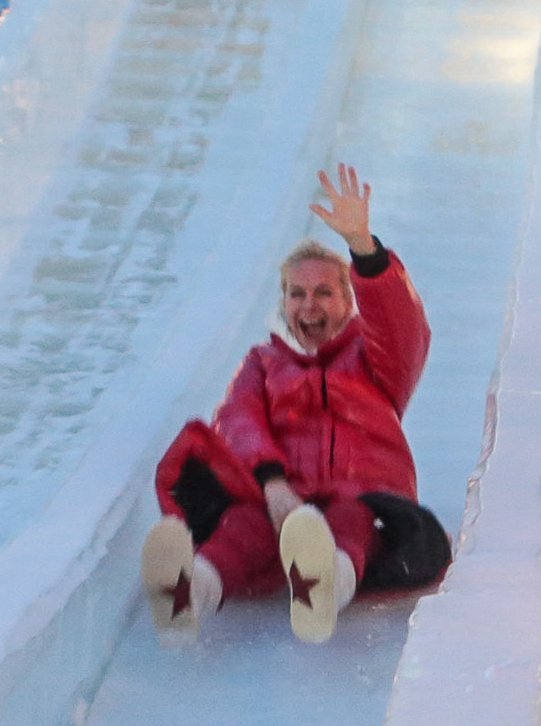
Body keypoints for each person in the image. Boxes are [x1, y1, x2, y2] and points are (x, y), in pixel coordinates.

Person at [141, 164, 449, 643]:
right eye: (297, 294)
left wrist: (364, 247)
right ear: (284, 303)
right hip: (283, 501)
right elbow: (238, 421)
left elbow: (402, 328)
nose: (309, 305)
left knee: (351, 519)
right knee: (245, 527)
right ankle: (190, 591)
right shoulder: (263, 363)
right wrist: (272, 484)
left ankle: (327, 587)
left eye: (324, 292)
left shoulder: (374, 360)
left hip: (361, 495)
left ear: (348, 301)